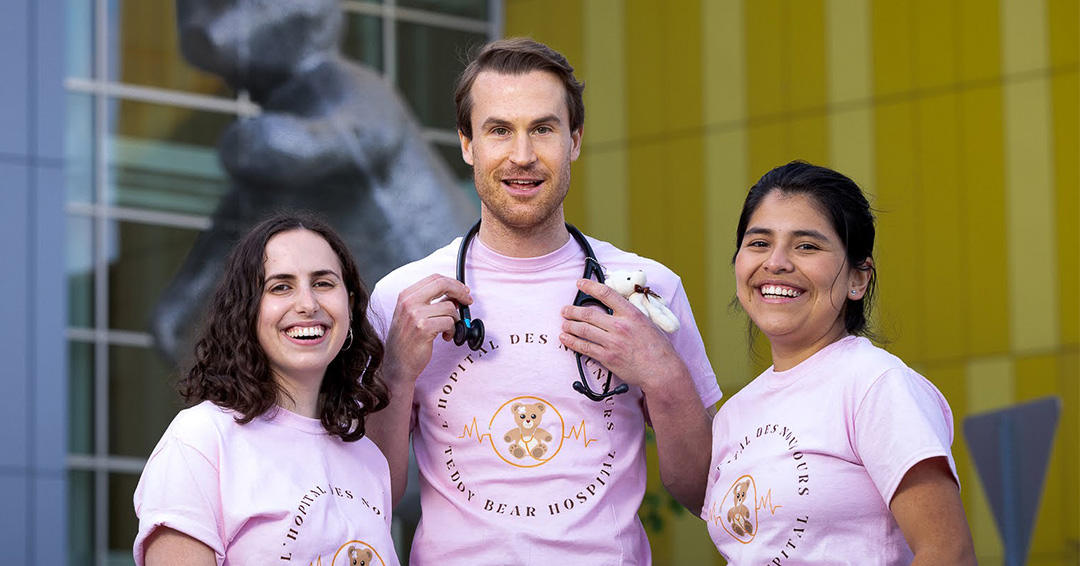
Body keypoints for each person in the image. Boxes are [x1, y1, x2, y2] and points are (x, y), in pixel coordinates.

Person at [366, 38, 723, 564]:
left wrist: (664, 373)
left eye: (543, 129)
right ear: (467, 144)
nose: (523, 156)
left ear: (574, 140)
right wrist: (395, 374)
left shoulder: (646, 289)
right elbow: (373, 503)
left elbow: (702, 493)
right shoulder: (404, 298)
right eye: (499, 130)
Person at [702, 161, 976, 564]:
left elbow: (948, 552)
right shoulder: (734, 414)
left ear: (858, 279)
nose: (775, 262)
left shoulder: (875, 384)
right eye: (759, 243)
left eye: (806, 246)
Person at [133, 213, 399, 566]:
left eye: (323, 283)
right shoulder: (201, 439)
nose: (307, 304)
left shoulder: (366, 456)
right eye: (280, 287)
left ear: (349, 304)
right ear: (248, 310)